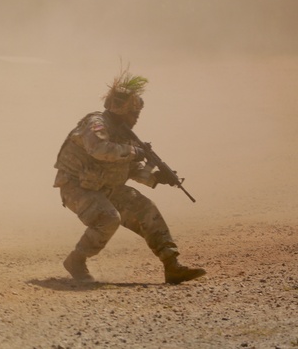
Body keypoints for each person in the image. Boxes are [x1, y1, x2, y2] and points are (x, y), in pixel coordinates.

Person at [53, 70, 206, 285]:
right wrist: (137, 152)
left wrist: (157, 177)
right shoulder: (96, 124)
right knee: (109, 217)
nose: (136, 119)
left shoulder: (125, 136)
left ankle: (172, 265)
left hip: (107, 187)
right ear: (122, 110)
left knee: (146, 210)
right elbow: (99, 149)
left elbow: (132, 170)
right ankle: (76, 261)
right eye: (133, 114)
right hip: (77, 187)